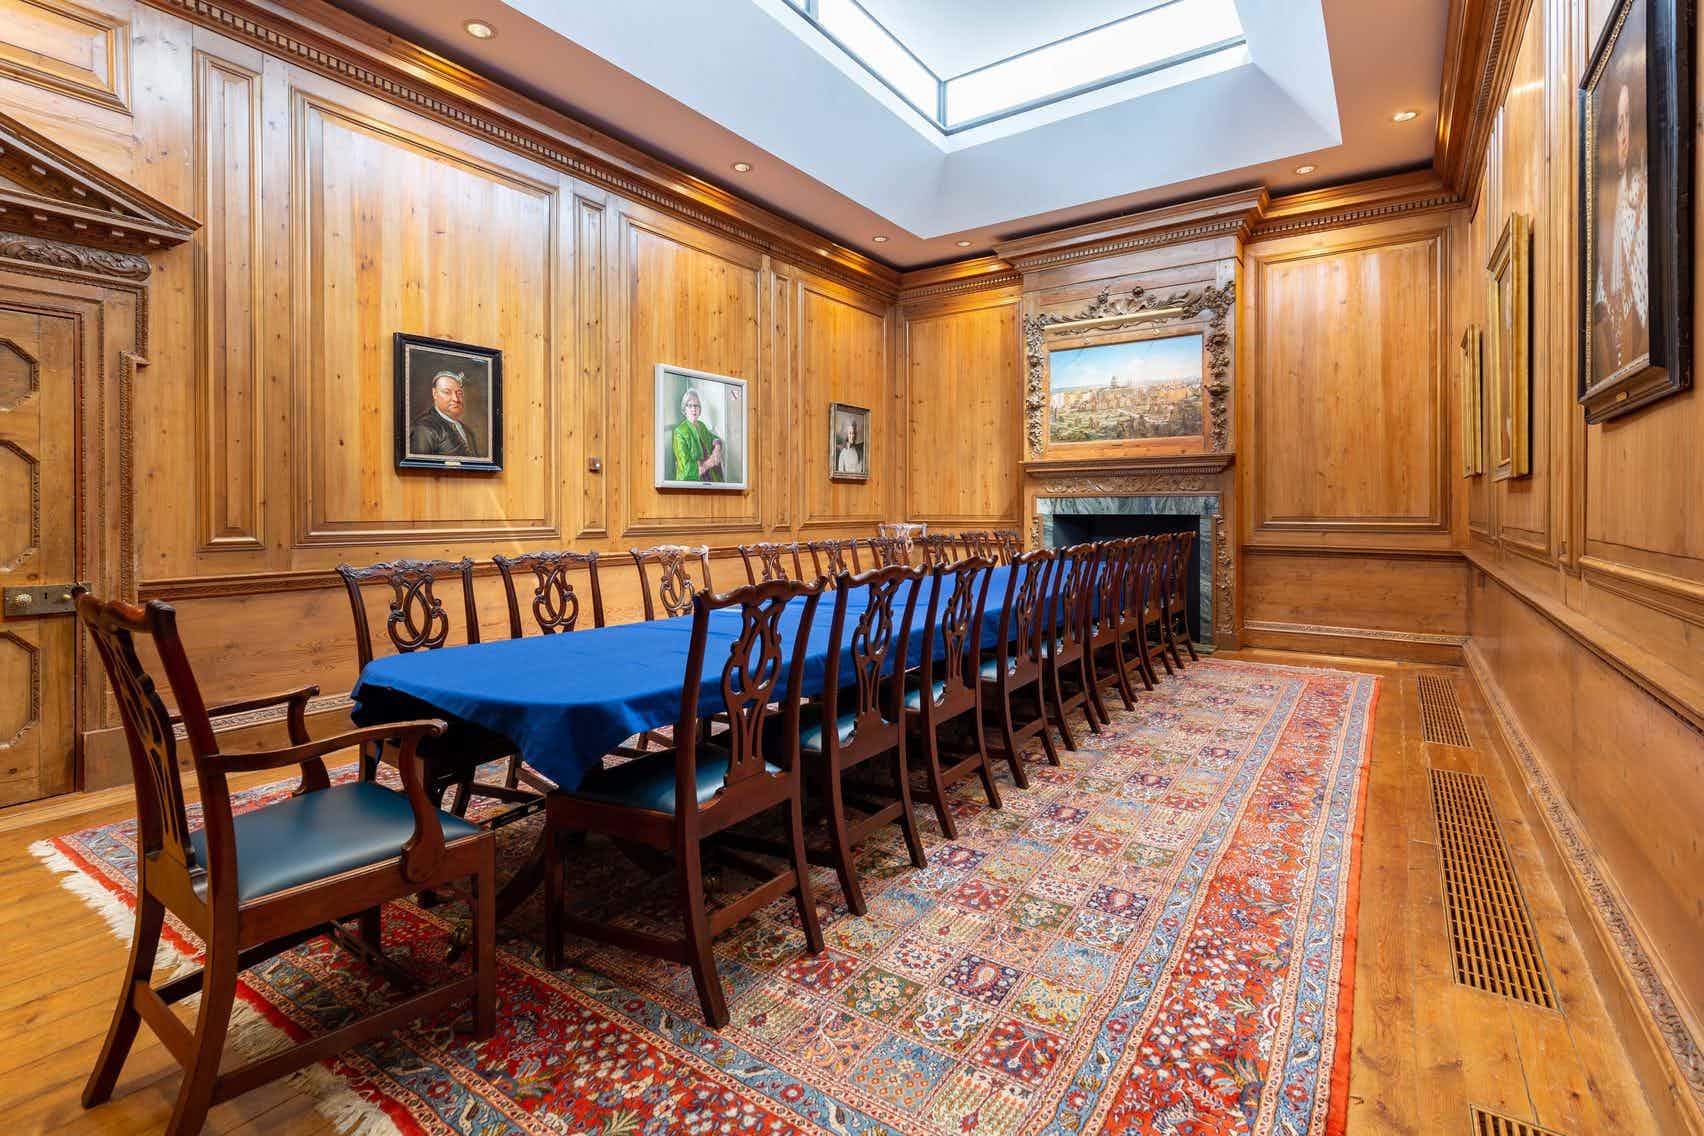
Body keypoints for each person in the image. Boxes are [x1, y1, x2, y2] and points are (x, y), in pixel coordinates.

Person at [1595, 80, 1649, 377]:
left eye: (1629, 120)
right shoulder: (1610, 202)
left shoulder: (1644, 191)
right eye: (1619, 124)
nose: (1624, 135)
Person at [409, 371, 480, 458]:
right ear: (435, 394)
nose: (456, 399)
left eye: (459, 393)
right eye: (447, 392)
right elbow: (420, 464)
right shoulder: (424, 428)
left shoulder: (467, 431)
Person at [672, 387, 725, 482]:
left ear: (700, 409)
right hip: (692, 481)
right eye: (690, 405)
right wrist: (709, 463)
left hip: (709, 475)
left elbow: (714, 438)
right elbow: (687, 469)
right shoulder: (679, 431)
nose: (694, 409)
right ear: (684, 409)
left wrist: (717, 449)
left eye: (696, 405)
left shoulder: (701, 425)